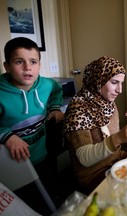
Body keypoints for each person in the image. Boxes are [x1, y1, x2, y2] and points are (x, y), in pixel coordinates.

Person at [64, 56, 127, 194]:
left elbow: (114, 150)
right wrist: (118, 138)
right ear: (98, 80)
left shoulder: (109, 104)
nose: (119, 90)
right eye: (114, 82)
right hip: (92, 175)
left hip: (115, 161)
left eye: (121, 83)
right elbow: (84, 158)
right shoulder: (78, 109)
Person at [0, 37, 64, 165]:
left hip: (42, 154)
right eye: (19, 62)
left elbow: (56, 90)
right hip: (13, 163)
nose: (27, 67)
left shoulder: (47, 84)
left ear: (39, 65)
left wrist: (55, 108)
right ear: (7, 66)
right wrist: (7, 137)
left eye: (33, 62)